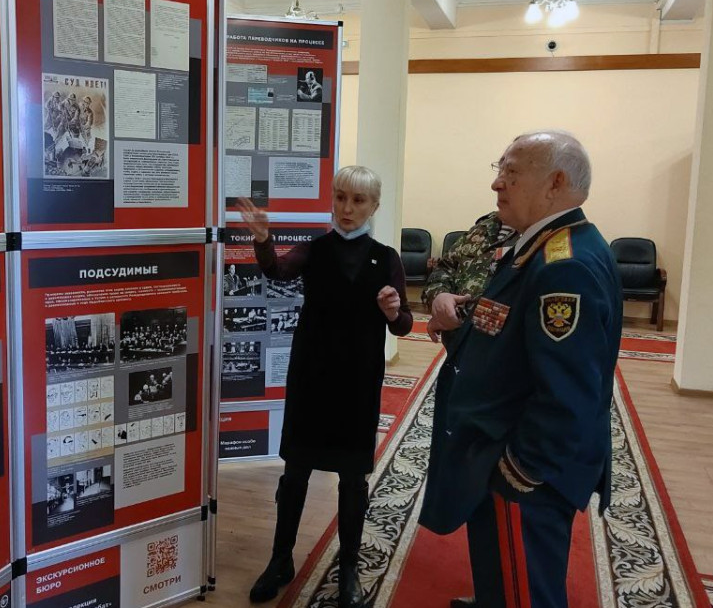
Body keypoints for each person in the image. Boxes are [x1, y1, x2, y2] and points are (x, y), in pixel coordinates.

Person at [418, 131, 622, 608]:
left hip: (522, 475)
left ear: (555, 183)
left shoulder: (564, 265)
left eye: (511, 172)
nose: (497, 184)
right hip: (501, 449)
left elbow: (568, 396)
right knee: (502, 580)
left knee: (524, 591)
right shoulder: (540, 246)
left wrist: (517, 472)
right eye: (500, 170)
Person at [238, 165, 413, 607]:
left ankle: (349, 566)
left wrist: (393, 312)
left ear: (374, 205)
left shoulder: (386, 258)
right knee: (295, 472)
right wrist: (263, 239)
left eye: (358, 200)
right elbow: (277, 270)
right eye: (340, 197)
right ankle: (280, 560)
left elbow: (405, 324)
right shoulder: (315, 249)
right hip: (311, 378)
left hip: (357, 383)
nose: (347, 208)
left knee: (352, 480)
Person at [422, 212, 518, 349]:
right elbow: (445, 267)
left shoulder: (540, 236)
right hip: (457, 346)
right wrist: (439, 298)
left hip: (503, 350)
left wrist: (457, 318)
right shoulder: (485, 225)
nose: (496, 190)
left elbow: (521, 305)